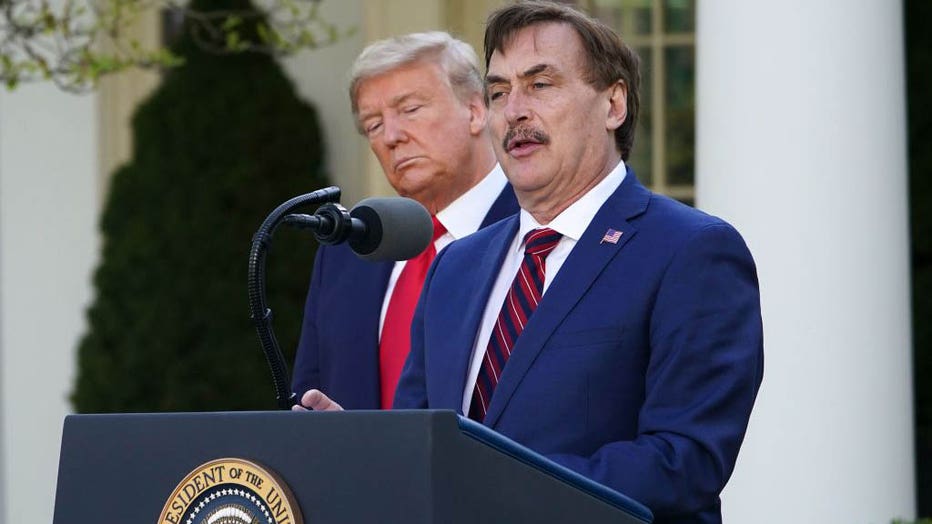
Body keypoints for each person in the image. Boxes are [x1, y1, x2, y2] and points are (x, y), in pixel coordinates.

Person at [296, 3, 762, 523]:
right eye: (498, 92)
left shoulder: (691, 251)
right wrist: (366, 448)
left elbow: (685, 462)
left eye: (541, 85)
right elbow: (423, 440)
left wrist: (491, 482)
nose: (514, 110)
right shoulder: (457, 265)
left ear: (613, 104)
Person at [290, 32, 519, 410]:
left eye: (410, 109)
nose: (392, 137)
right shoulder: (346, 253)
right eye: (374, 125)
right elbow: (309, 396)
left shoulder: (538, 231)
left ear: (476, 110)